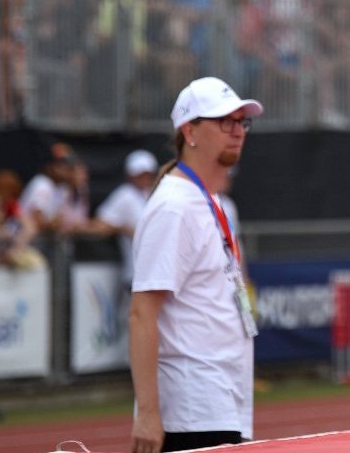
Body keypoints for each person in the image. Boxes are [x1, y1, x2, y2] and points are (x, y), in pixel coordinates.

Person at [129, 77, 262, 453]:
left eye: (241, 122)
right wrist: (148, 413)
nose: (237, 131)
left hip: (220, 399)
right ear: (190, 131)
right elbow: (141, 314)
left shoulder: (210, 200)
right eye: (225, 121)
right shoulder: (174, 207)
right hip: (191, 407)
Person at [94, 149, 158, 284]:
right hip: (136, 271)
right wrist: (123, 229)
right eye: (140, 174)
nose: (145, 178)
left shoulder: (153, 193)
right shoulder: (124, 194)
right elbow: (100, 223)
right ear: (131, 175)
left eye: (147, 174)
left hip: (156, 270)